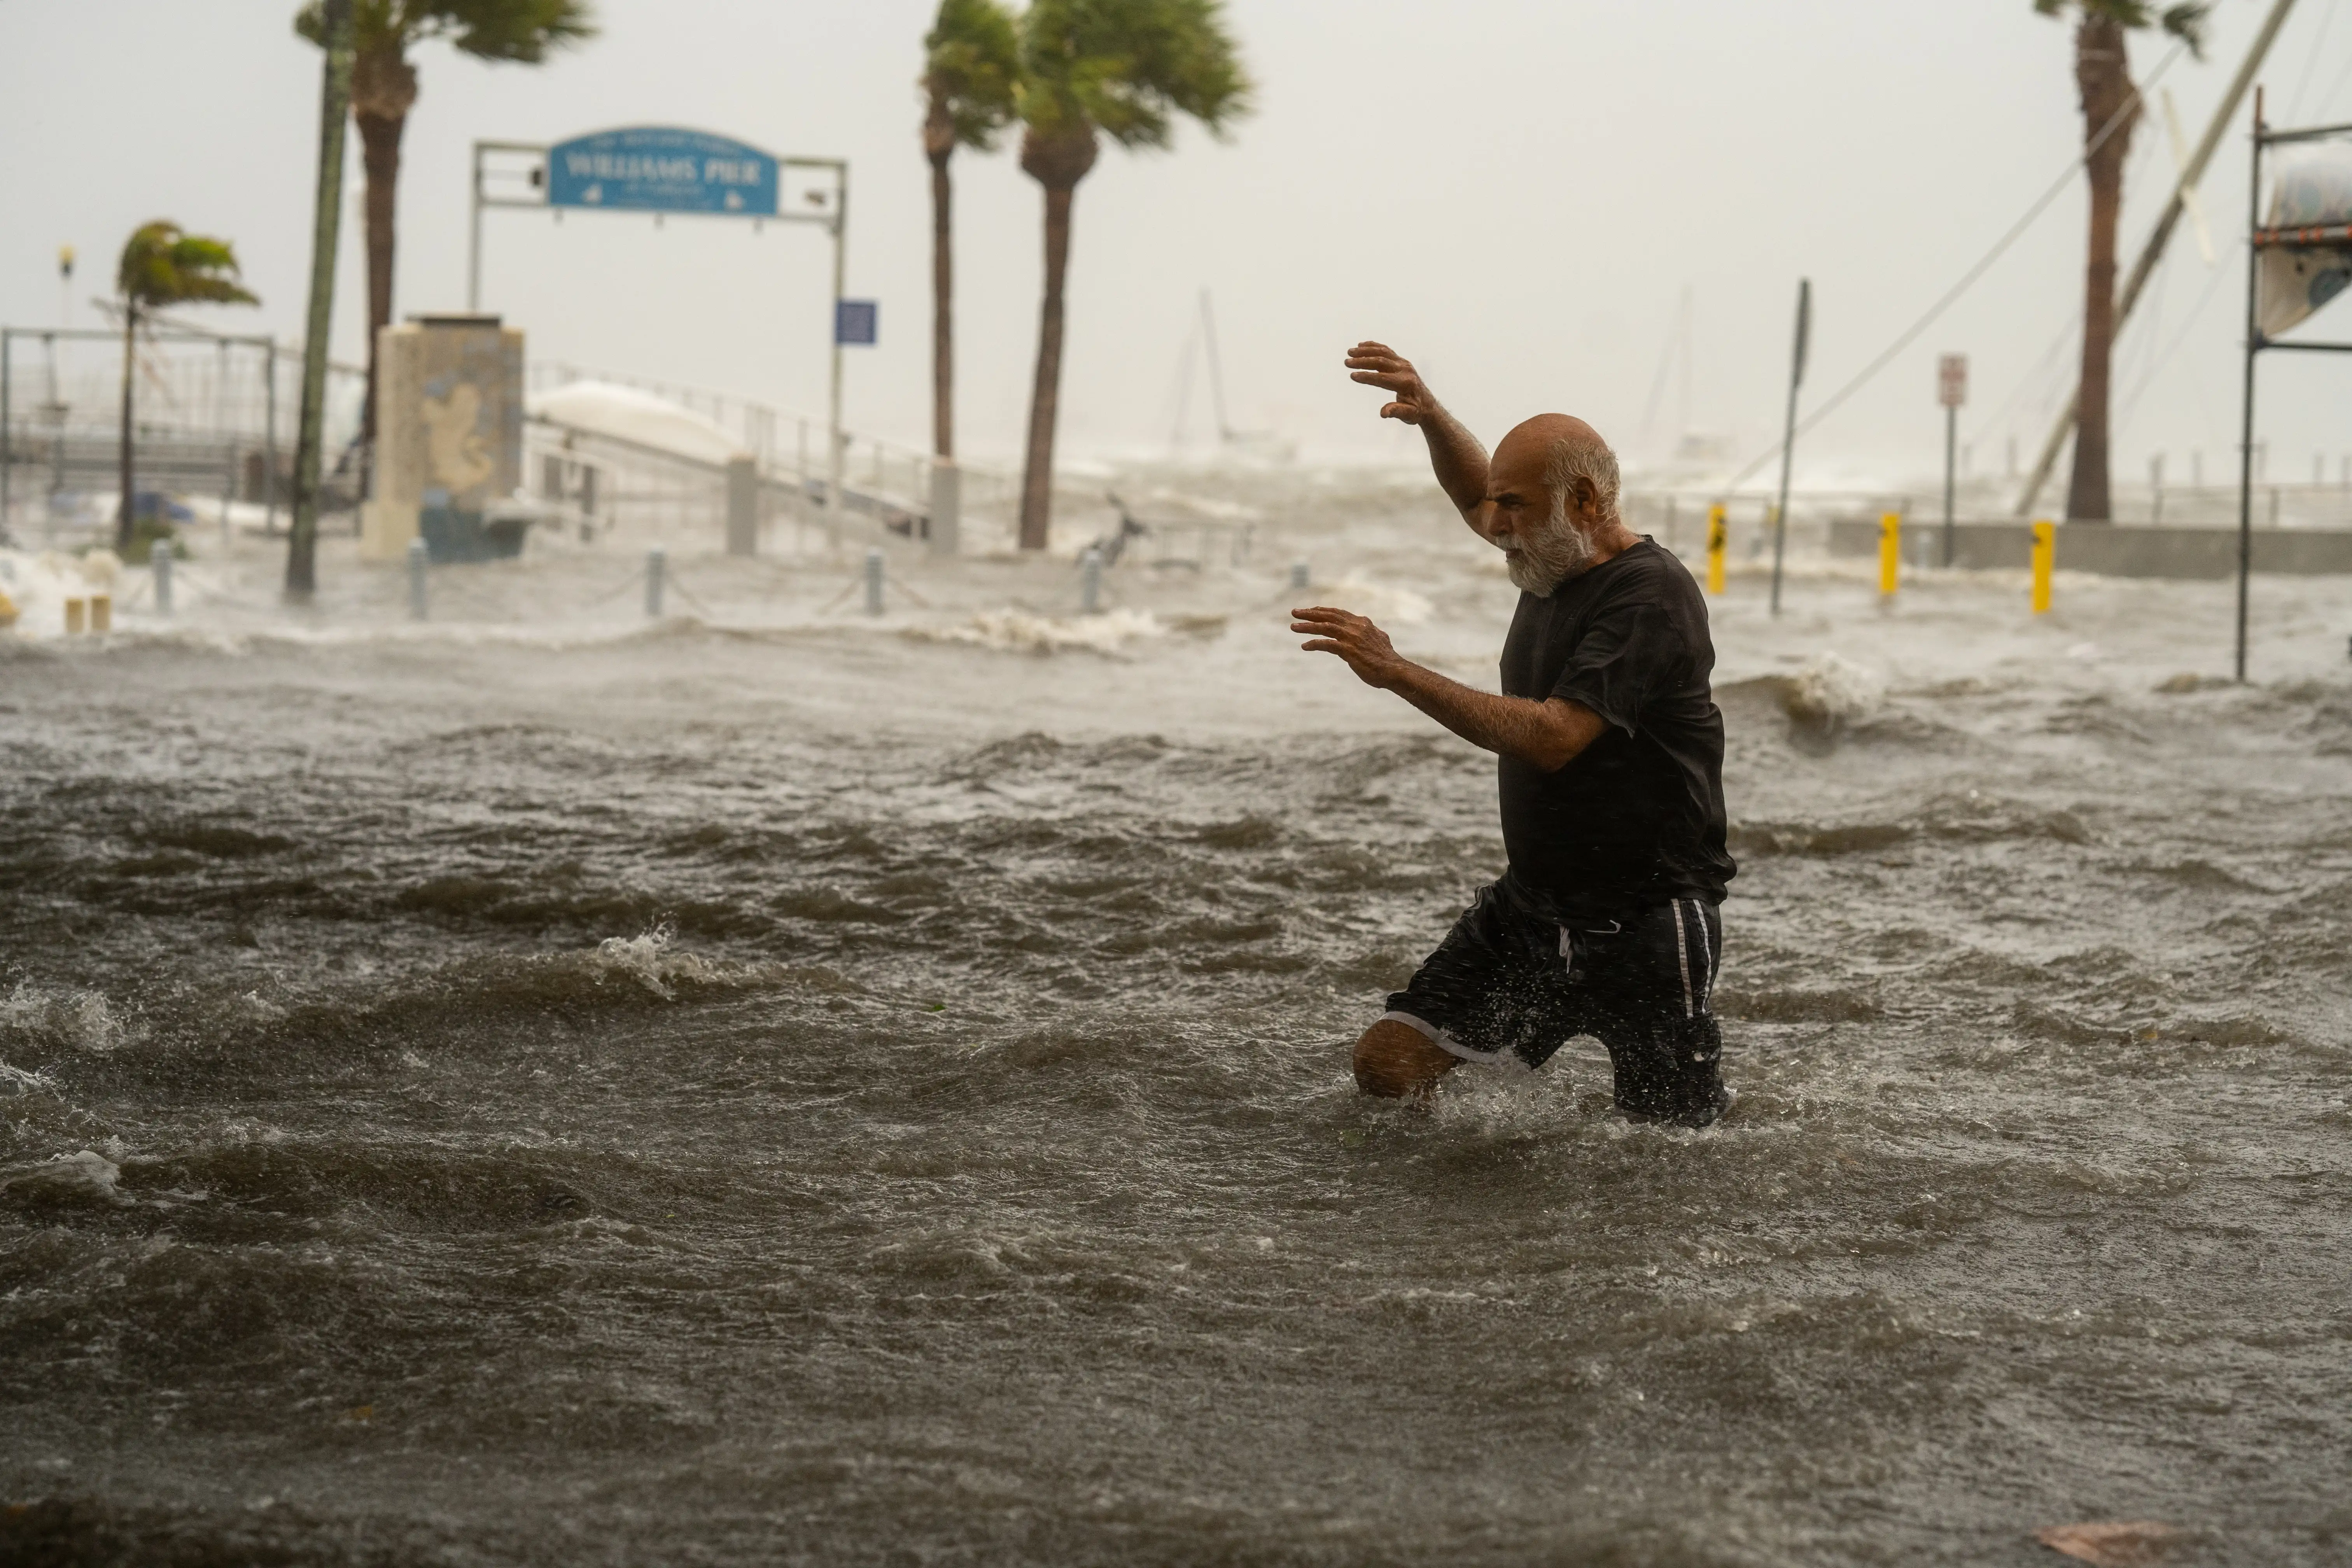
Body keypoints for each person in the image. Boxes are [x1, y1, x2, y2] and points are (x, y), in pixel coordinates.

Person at [1292, 342, 1736, 1126]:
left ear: (1588, 502)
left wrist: (1397, 671)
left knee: (1669, 1151)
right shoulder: (1547, 554)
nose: (1497, 526)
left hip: (1647, 922)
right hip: (1531, 912)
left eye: (1517, 507)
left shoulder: (1649, 597)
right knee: (1389, 1064)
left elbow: (1555, 735)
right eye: (1500, 506)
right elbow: (1475, 496)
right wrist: (1431, 416)